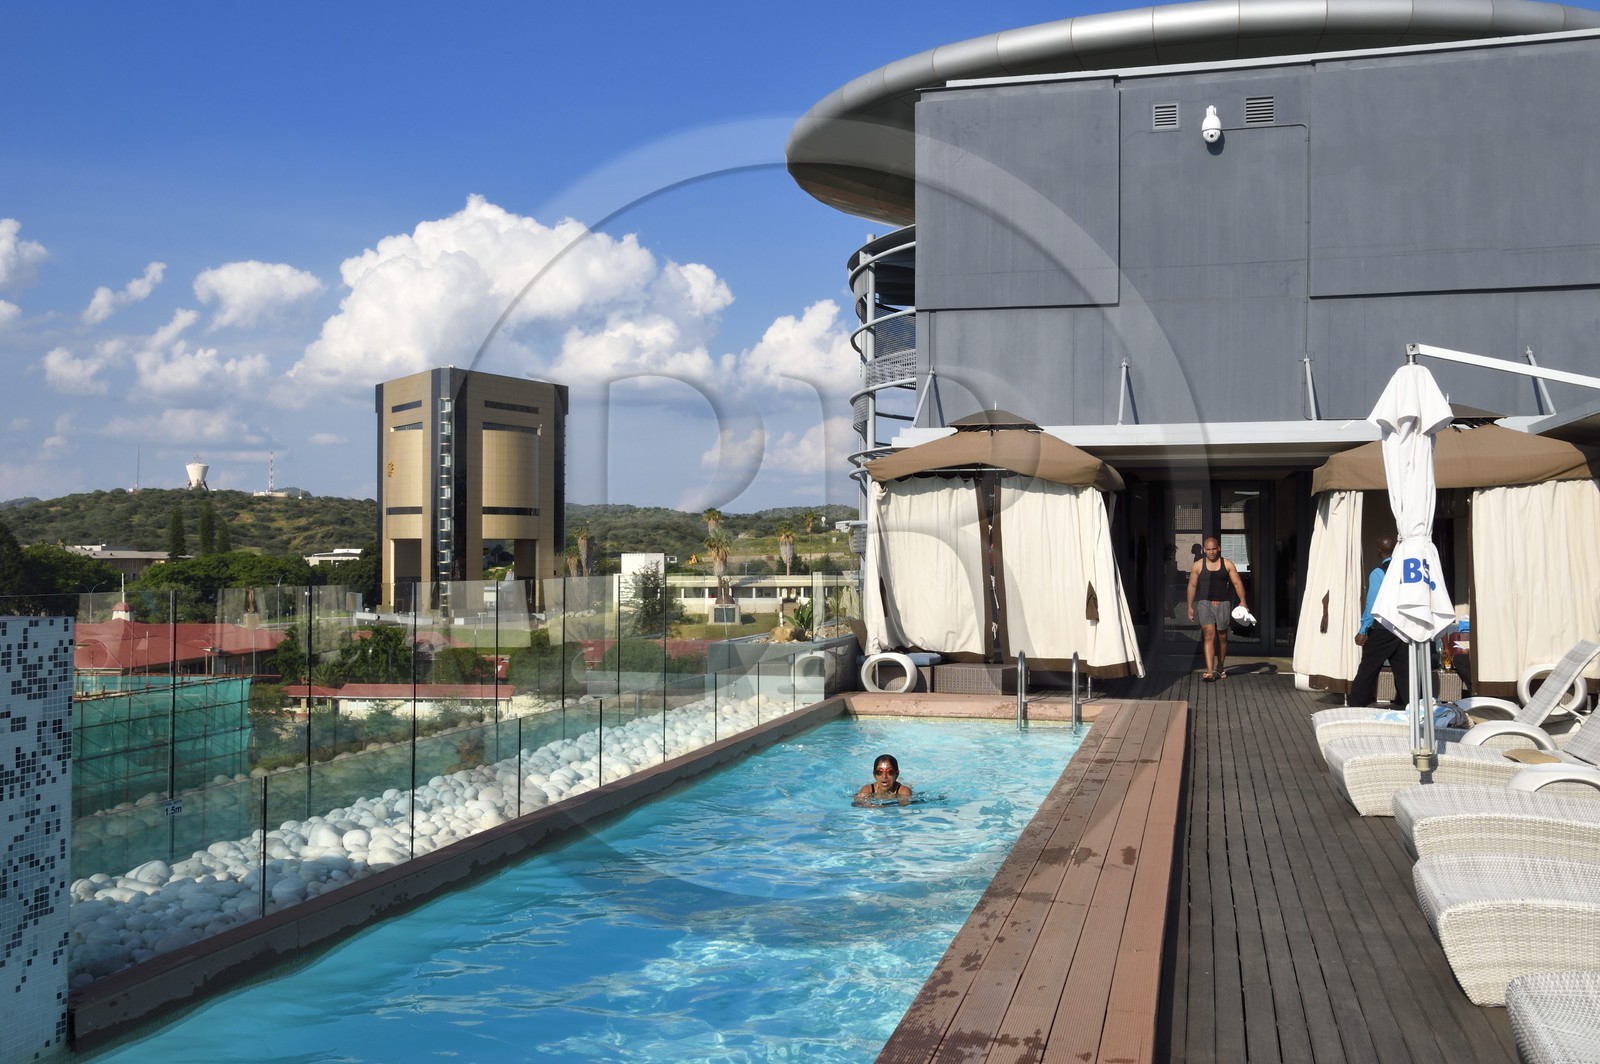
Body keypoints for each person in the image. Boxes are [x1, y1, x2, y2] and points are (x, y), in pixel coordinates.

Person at [1348, 534, 1439, 707]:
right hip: (1404, 627)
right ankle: (1413, 706)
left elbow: (1373, 604)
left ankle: (1355, 704)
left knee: (1368, 669)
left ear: (1379, 552)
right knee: (1405, 672)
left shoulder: (1378, 573)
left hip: (1383, 627)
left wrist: (1363, 629)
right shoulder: (1406, 572)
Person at [1186, 536, 1248, 681]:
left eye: (1214, 549)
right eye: (1208, 549)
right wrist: (1189, 606)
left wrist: (1243, 601)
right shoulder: (1197, 565)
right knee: (1208, 636)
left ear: (1218, 548)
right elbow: (1192, 586)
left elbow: (1237, 583)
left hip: (1223, 603)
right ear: (1204, 550)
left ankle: (1220, 666)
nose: (1211, 552)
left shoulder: (1227, 564)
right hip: (1204, 604)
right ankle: (1209, 671)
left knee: (1222, 636)